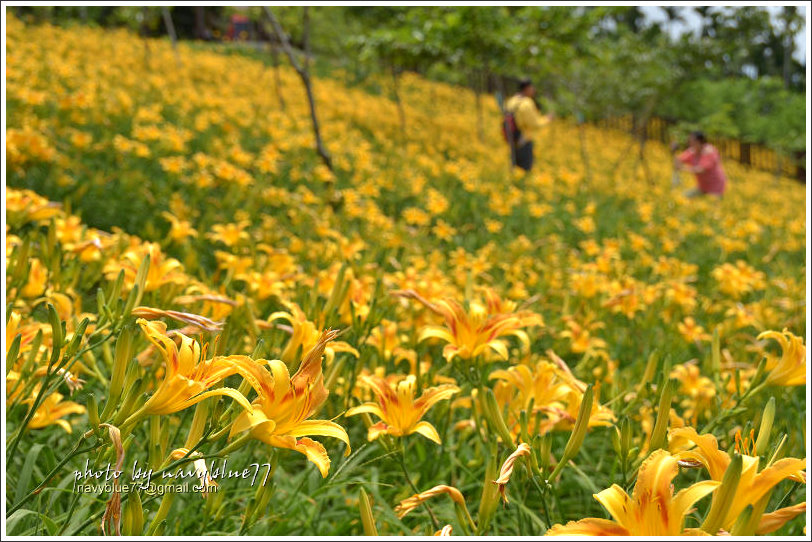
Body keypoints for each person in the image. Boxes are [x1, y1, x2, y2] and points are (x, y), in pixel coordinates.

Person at [504, 79, 553, 172]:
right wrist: (547, 119)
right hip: (524, 140)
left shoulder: (511, 101)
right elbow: (535, 124)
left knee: (514, 168)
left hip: (512, 139)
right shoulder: (527, 103)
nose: (534, 90)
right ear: (527, 88)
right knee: (525, 171)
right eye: (532, 88)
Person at [673, 131, 727, 198]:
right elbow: (679, 160)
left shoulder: (710, 152)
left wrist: (682, 168)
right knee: (683, 197)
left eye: (691, 141)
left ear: (699, 141)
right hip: (703, 186)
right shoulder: (692, 151)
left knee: (712, 206)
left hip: (715, 186)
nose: (689, 143)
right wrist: (674, 151)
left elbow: (700, 170)